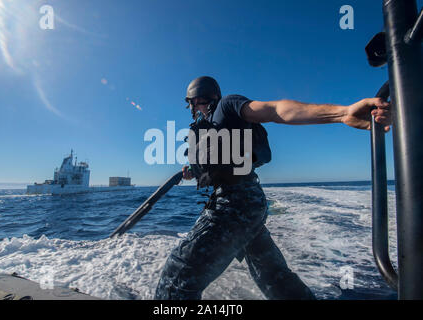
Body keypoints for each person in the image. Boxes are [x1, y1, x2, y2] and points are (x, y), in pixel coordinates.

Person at [154, 76, 391, 300]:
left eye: (201, 100)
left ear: (213, 97)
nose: (197, 106)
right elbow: (222, 165)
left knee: (176, 279)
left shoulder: (228, 106)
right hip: (248, 205)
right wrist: (193, 170)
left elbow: (276, 110)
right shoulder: (209, 128)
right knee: (273, 276)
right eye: (193, 103)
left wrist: (342, 113)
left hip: (234, 206)